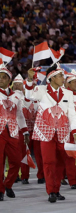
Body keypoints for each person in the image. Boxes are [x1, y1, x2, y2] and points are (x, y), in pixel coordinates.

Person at [26, 64, 76, 203]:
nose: (63, 78)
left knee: (61, 162)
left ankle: (56, 190)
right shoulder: (41, 90)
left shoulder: (68, 93)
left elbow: (72, 113)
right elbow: (29, 96)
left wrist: (75, 130)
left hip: (63, 132)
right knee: (49, 162)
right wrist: (29, 80)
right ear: (52, 78)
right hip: (45, 132)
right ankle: (51, 191)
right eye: (61, 76)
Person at [0, 65, 29, 201]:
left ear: (9, 80)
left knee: (16, 161)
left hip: (13, 131)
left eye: (3, 77)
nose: (0, 79)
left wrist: (25, 132)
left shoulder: (16, 96)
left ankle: (8, 184)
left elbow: (19, 115)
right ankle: (0, 190)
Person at [12, 74, 40, 185]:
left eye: (20, 84)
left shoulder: (36, 97)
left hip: (37, 130)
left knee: (40, 154)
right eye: (15, 84)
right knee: (23, 154)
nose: (18, 86)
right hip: (22, 131)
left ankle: (41, 175)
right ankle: (24, 176)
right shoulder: (14, 97)